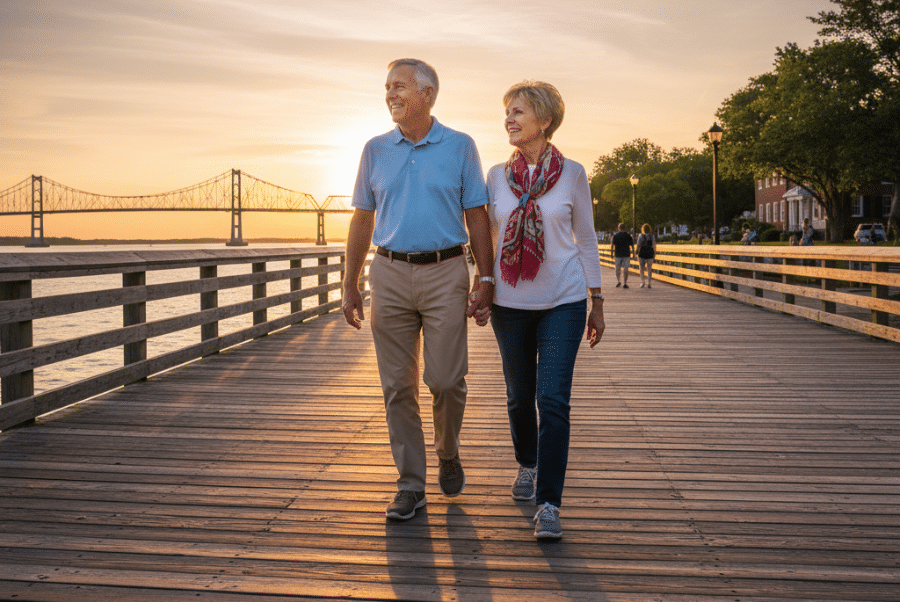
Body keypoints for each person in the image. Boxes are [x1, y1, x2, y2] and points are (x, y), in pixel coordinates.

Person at [341, 58, 495, 521]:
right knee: (397, 387)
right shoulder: (374, 149)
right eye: (387, 86)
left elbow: (477, 216)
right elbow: (363, 218)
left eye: (400, 86)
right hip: (387, 273)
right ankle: (411, 484)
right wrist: (349, 283)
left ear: (428, 94)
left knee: (446, 380)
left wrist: (484, 277)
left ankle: (447, 451)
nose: (390, 94)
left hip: (445, 269)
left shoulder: (460, 146)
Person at [470, 81, 604, 540]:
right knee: (517, 396)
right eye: (506, 111)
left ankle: (549, 502)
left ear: (544, 121)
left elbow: (585, 237)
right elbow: (486, 235)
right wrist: (482, 285)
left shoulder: (573, 174)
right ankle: (527, 462)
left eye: (518, 111)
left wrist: (597, 298)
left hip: (563, 300)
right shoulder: (494, 176)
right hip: (510, 302)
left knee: (552, 399)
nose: (509, 118)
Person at [611, 222, 634, 288]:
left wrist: (612, 253)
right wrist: (633, 254)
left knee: (617, 268)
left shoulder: (615, 235)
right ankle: (625, 283)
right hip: (626, 254)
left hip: (618, 254)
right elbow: (632, 245)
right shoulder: (628, 235)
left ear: (619, 228)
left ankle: (618, 281)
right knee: (626, 269)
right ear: (625, 228)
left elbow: (612, 245)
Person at [635, 223, 656, 288]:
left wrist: (637, 254)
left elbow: (638, 245)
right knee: (649, 269)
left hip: (642, 254)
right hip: (650, 254)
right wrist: (654, 255)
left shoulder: (640, 236)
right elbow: (654, 246)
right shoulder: (652, 236)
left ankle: (643, 282)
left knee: (641, 268)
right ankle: (649, 283)